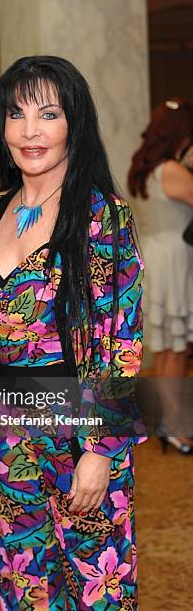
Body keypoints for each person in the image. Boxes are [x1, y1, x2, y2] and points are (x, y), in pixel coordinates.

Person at [0, 56, 144, 609]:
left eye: (48, 114)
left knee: (97, 588)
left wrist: (100, 451)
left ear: (75, 124)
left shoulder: (102, 217)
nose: (30, 131)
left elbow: (124, 340)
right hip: (5, 434)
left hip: (80, 434)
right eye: (16, 115)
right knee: (26, 586)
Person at [128, 98, 193, 454]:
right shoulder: (172, 170)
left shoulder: (146, 169)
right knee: (177, 349)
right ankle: (173, 424)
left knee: (170, 348)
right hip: (176, 259)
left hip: (155, 256)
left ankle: (170, 422)